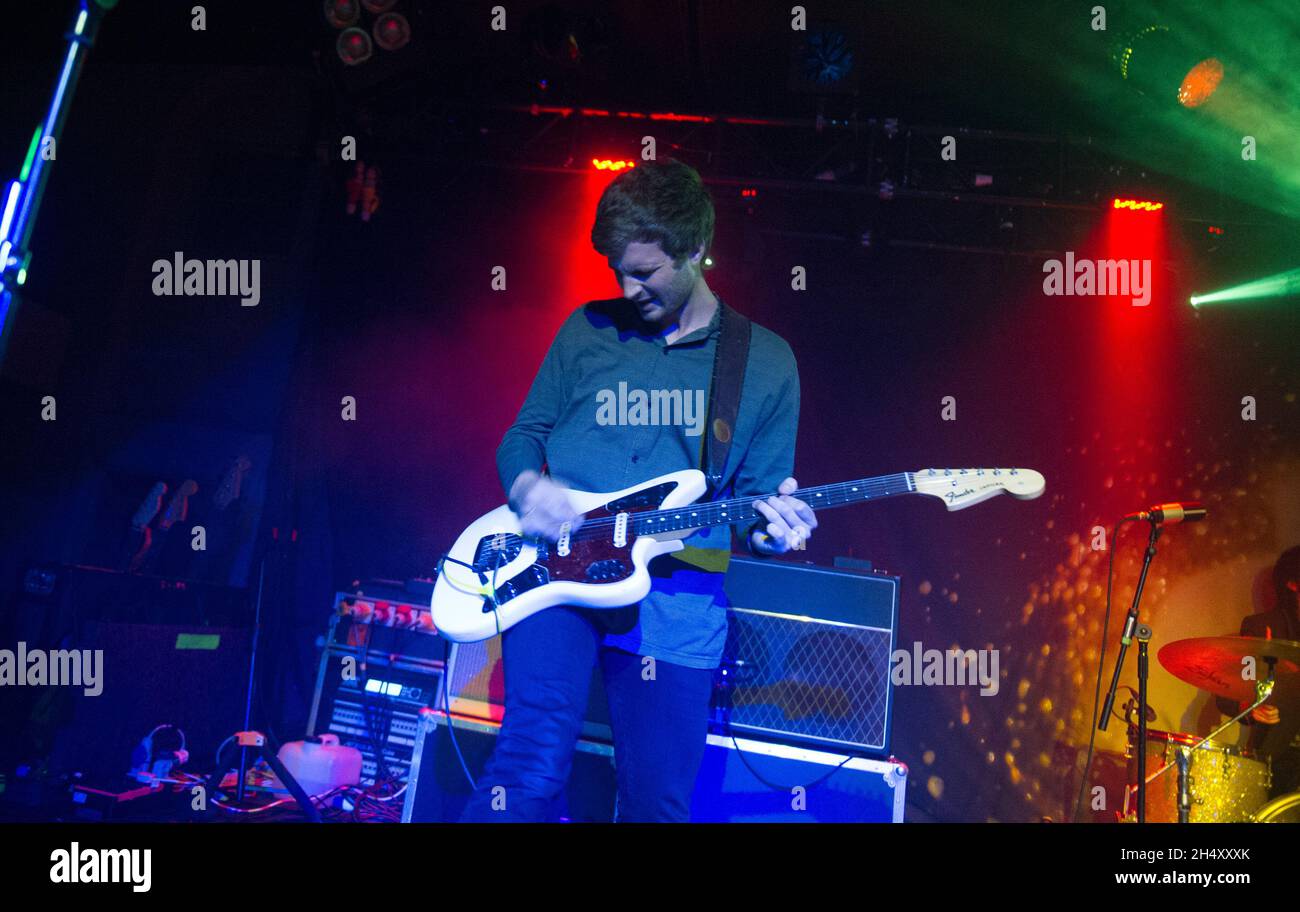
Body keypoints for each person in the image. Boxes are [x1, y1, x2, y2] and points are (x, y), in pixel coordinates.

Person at [459, 159, 815, 822]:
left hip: (676, 596)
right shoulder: (588, 327)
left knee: (657, 802)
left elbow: (761, 507)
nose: (628, 287)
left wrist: (776, 529)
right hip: (556, 574)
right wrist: (528, 486)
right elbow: (524, 433)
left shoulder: (764, 362)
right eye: (617, 270)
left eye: (645, 272)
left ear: (697, 251)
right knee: (529, 767)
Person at [1216, 544, 1300, 797]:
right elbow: (1228, 693)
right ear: (1293, 584)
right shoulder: (1262, 628)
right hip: (1282, 759)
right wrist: (1252, 707)